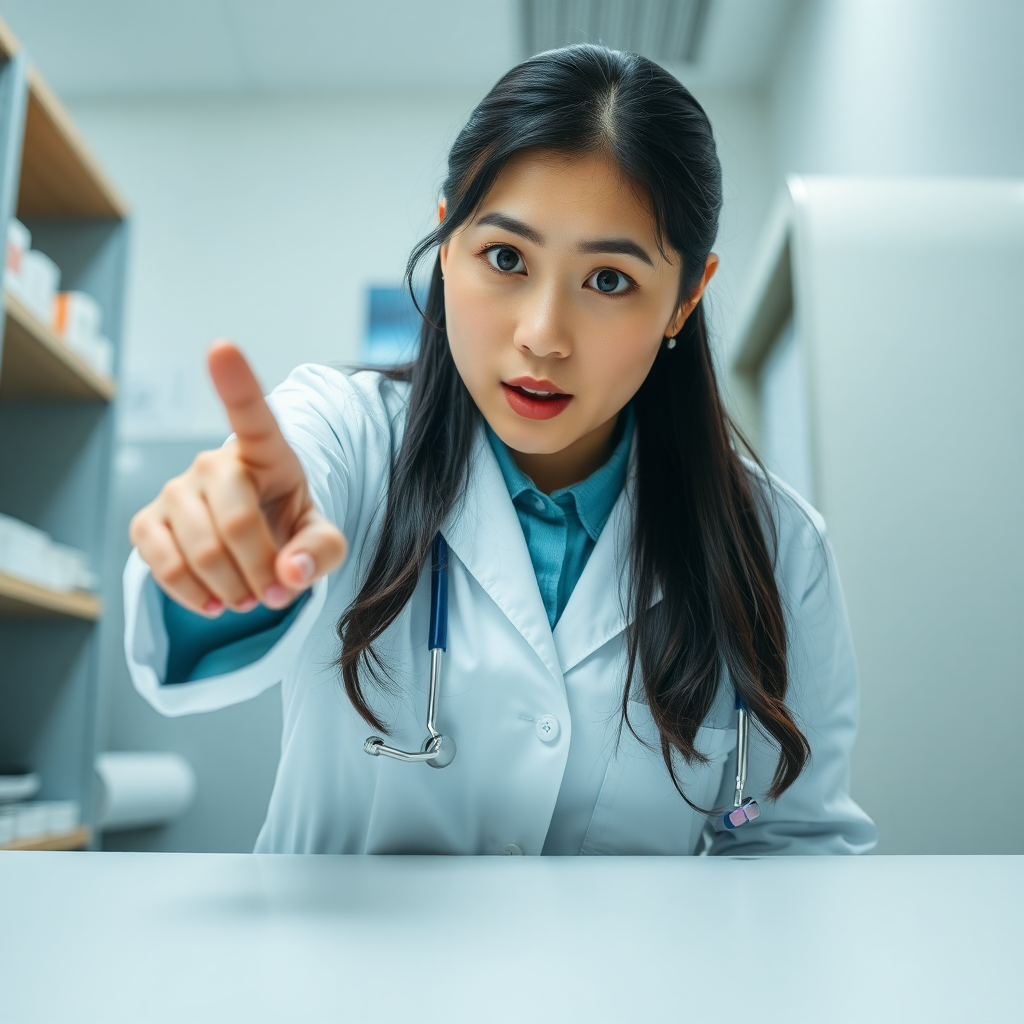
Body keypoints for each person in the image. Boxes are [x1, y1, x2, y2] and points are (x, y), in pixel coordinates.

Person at [123, 44, 876, 856]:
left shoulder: (778, 549)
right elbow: (284, 484)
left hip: (629, 988)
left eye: (610, 280)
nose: (543, 336)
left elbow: (794, 852)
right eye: (506, 258)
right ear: (447, 243)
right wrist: (233, 540)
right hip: (337, 984)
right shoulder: (350, 433)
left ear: (685, 298)